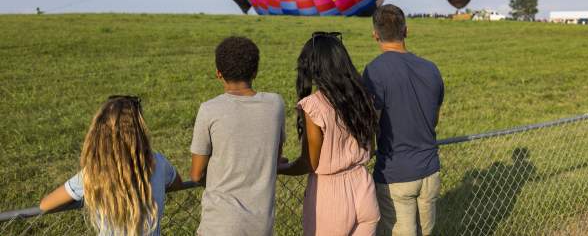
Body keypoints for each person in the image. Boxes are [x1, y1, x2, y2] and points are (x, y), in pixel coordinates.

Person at [278, 32, 380, 236]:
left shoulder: (314, 106)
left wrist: (280, 168)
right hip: (364, 187)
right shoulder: (362, 96)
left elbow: (310, 163)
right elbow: (372, 146)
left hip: (331, 199)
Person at [40, 95, 183, 236]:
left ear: (99, 134)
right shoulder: (157, 163)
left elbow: (45, 205)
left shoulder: (94, 173)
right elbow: (177, 183)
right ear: (140, 131)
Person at [190, 36, 285, 236]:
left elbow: (196, 174)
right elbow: (276, 157)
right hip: (261, 225)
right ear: (255, 71)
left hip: (219, 224)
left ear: (218, 73)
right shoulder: (275, 104)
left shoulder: (209, 109)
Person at [363, 4, 444, 236]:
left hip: (395, 173)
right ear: (406, 31)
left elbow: (370, 122)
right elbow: (434, 119)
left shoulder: (374, 71)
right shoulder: (431, 69)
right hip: (430, 170)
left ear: (375, 34)